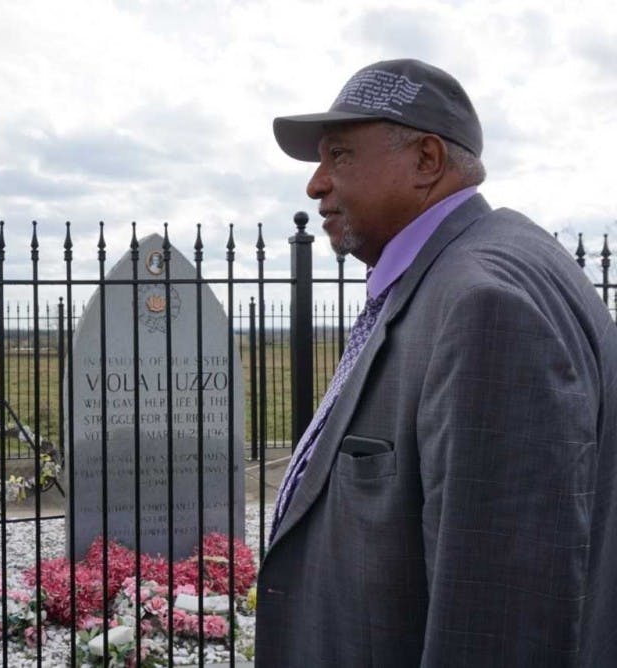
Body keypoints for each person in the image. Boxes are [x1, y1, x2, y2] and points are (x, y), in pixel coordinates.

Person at [256, 58, 617, 665]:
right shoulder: (461, 271)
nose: (315, 184)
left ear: (427, 160)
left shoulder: (483, 305)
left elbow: (497, 622)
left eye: (339, 155)